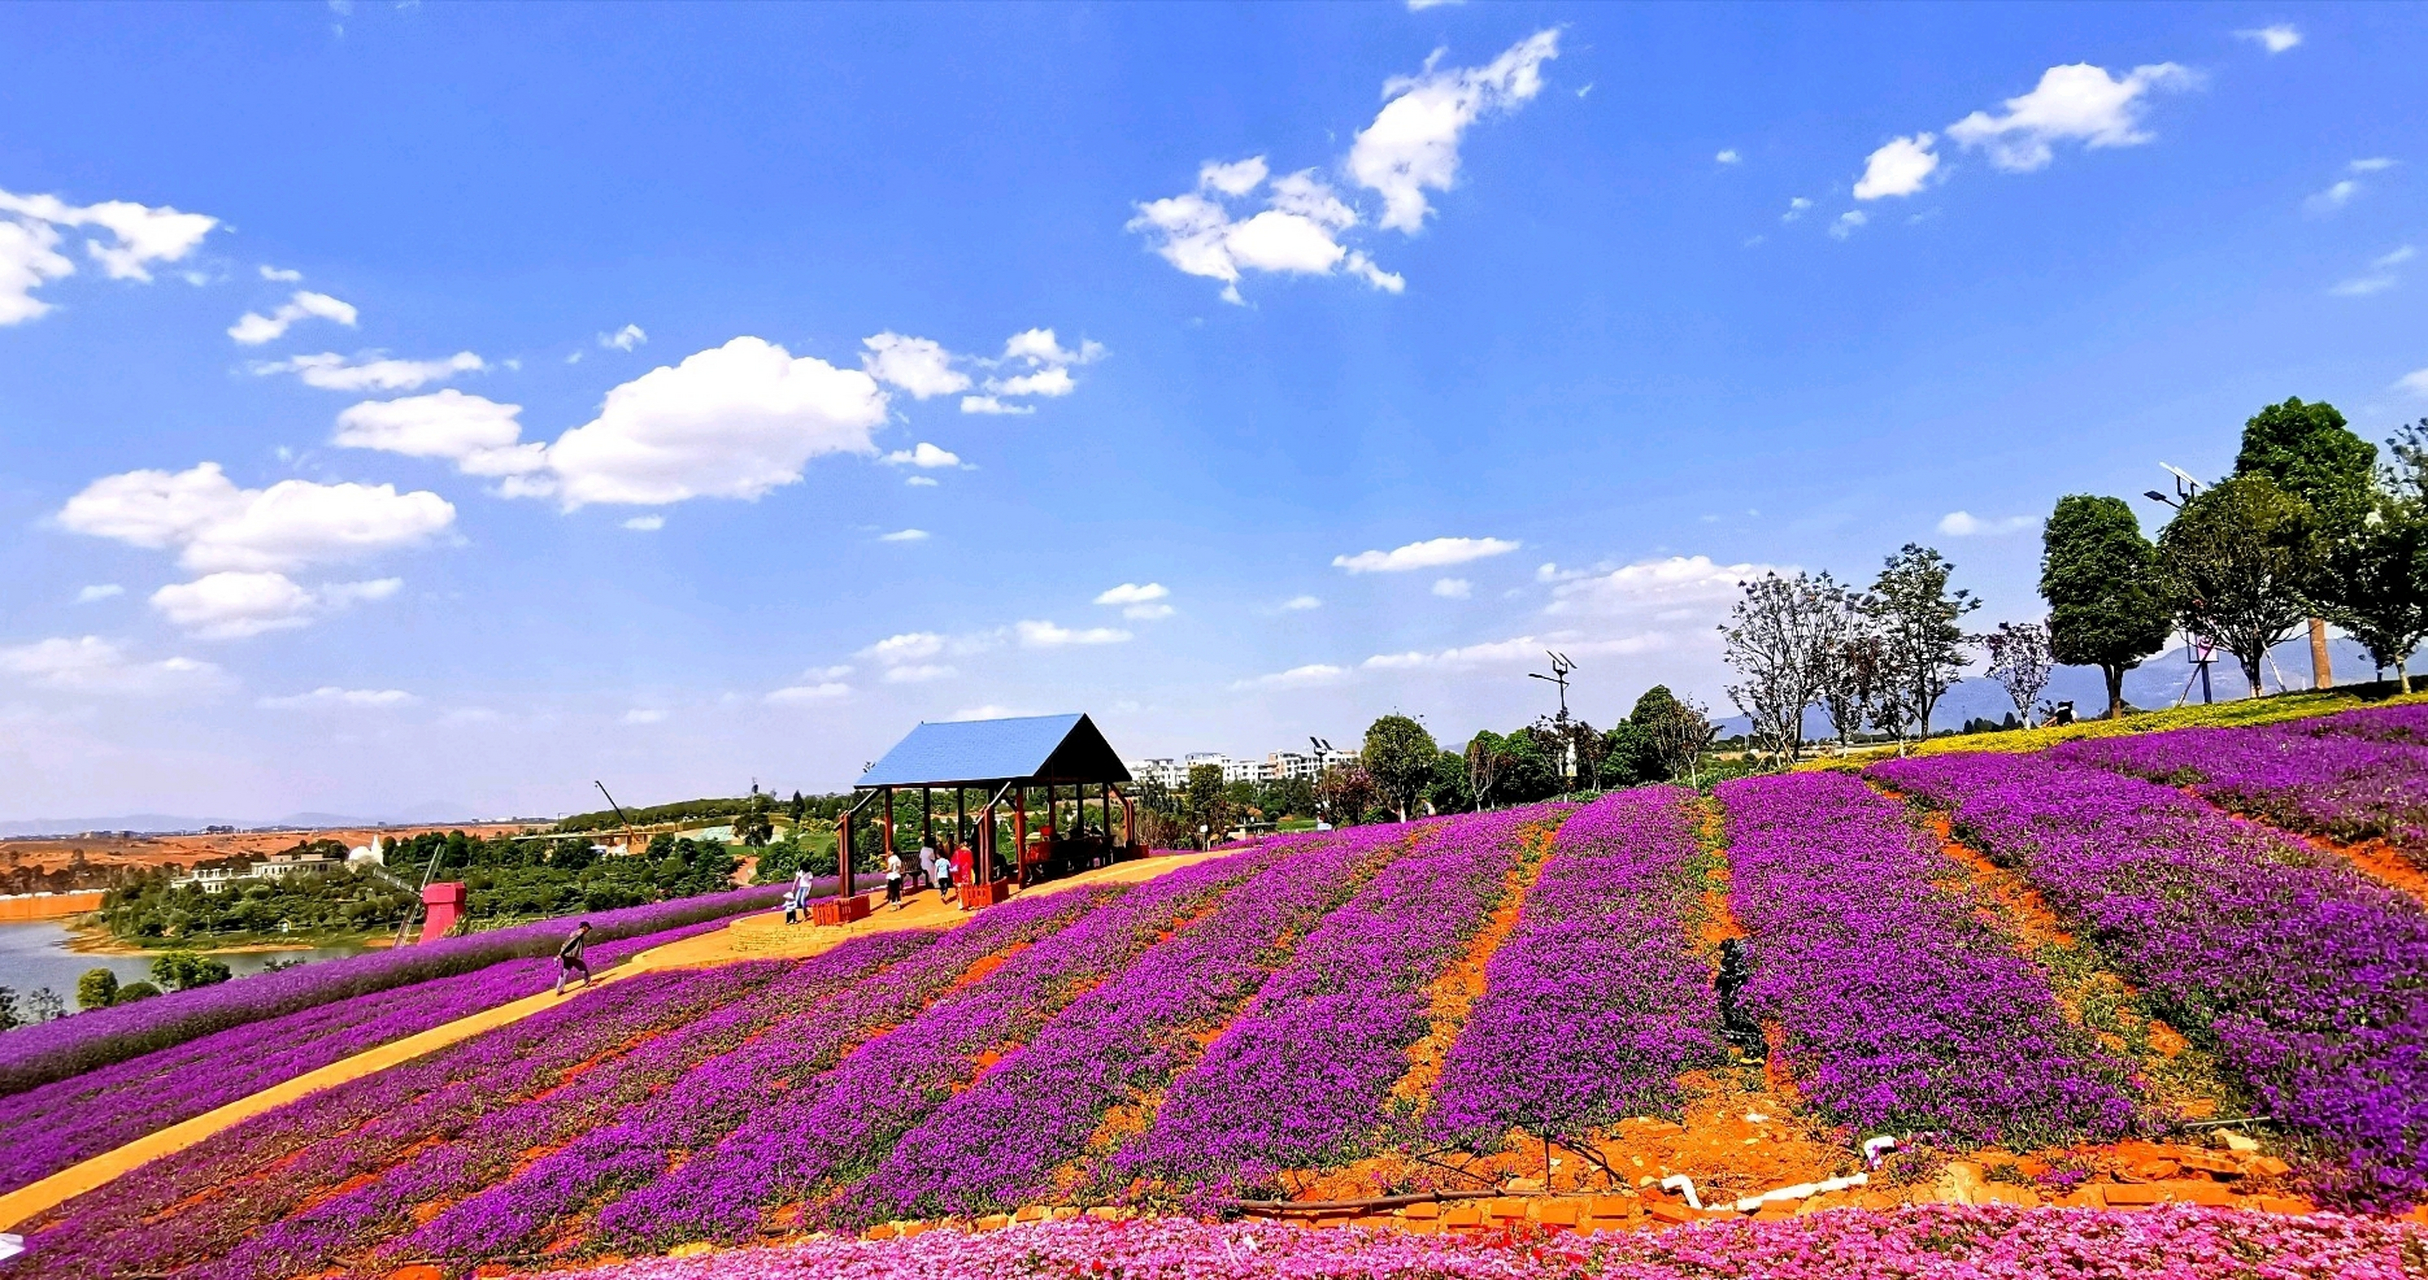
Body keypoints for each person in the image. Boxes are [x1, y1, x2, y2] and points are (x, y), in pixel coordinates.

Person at [555, 921, 594, 995]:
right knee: (583, 968)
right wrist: (560, 954)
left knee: (565, 971)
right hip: (571, 955)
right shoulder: (579, 933)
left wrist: (562, 954)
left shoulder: (574, 932)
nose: (588, 930)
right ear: (584, 927)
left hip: (566, 956)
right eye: (588, 928)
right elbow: (569, 943)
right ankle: (587, 982)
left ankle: (559, 989)